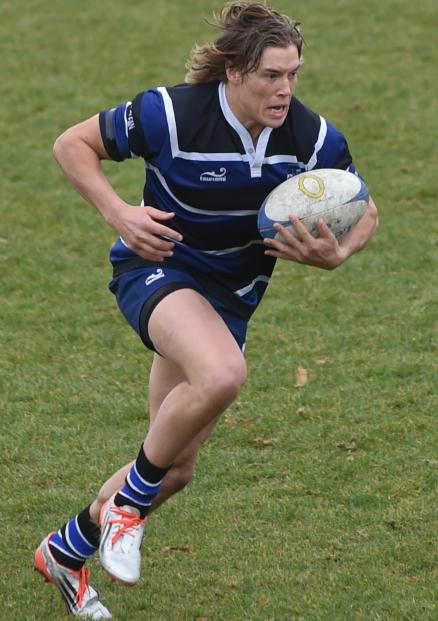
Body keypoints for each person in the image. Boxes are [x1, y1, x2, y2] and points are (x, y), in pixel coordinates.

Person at [33, 2, 379, 617]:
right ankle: (128, 510)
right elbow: (72, 145)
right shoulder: (171, 113)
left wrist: (339, 253)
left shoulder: (311, 136)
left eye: (294, 73)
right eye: (272, 75)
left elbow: (364, 206)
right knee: (222, 375)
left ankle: (65, 551)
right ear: (235, 73)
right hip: (158, 270)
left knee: (176, 466)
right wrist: (121, 214)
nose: (285, 89)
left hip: (232, 299)